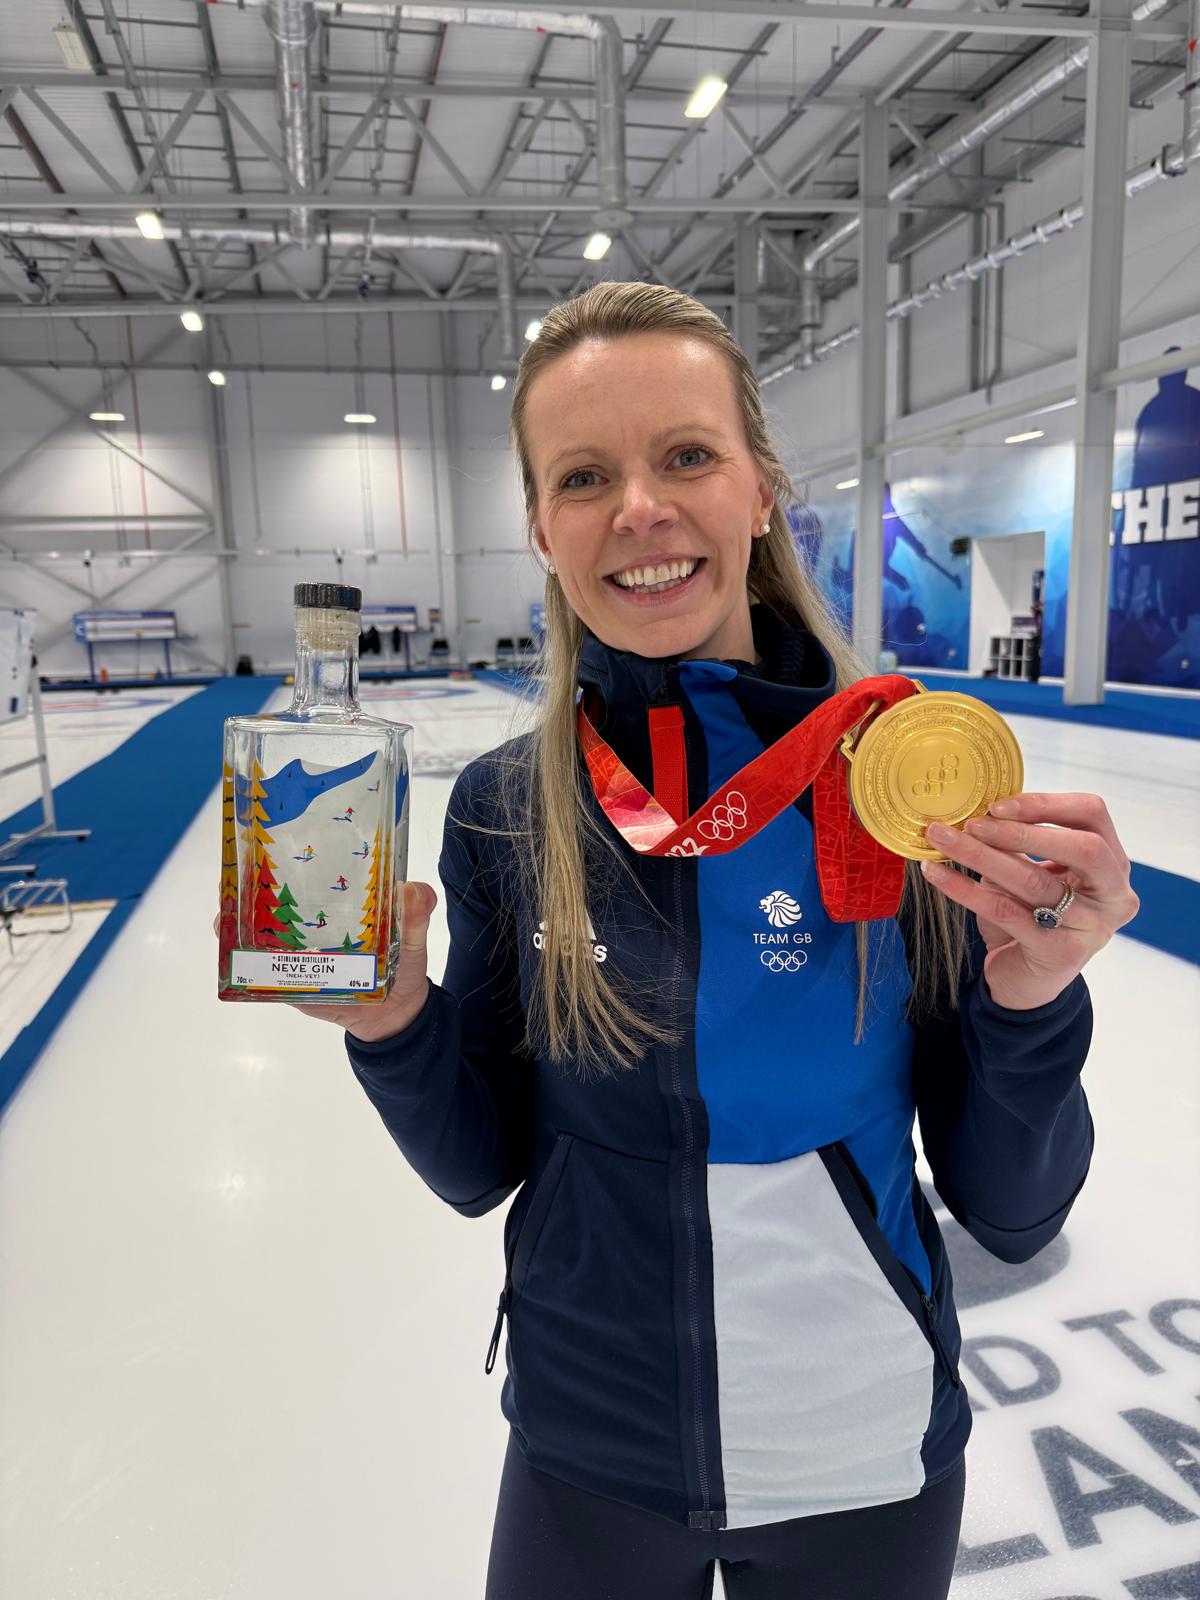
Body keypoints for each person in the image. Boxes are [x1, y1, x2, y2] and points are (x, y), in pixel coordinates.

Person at [303, 283, 1140, 1598]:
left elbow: (1013, 1210)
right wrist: (390, 1025)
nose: (640, 509)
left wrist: (1030, 1005)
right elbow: (480, 1168)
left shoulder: (899, 787)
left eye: (687, 455)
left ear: (762, 488)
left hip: (862, 1459)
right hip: (587, 1458)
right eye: (586, 476)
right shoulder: (508, 809)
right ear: (540, 526)